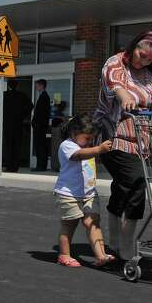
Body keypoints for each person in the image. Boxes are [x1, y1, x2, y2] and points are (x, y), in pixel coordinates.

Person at [94, 31, 152, 260]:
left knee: (130, 187)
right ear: (133, 46)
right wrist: (124, 97)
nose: (143, 61)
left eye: (149, 59)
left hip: (141, 142)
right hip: (113, 137)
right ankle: (122, 243)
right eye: (141, 54)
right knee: (135, 180)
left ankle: (120, 241)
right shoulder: (115, 63)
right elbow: (114, 85)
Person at [54, 114, 115, 268]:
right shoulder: (67, 146)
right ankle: (64, 255)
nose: (90, 142)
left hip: (89, 193)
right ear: (74, 133)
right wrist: (98, 149)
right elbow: (78, 156)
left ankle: (101, 256)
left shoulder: (88, 147)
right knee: (69, 225)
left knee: (93, 223)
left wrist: (97, 150)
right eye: (86, 138)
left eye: (92, 139)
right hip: (69, 194)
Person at [0, 80, 33, 172]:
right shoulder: (22, 95)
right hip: (18, 124)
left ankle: (8, 165)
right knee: (17, 145)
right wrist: (23, 116)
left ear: (8, 86)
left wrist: (1, 118)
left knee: (8, 145)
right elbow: (30, 106)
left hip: (7, 124)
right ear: (17, 86)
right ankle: (15, 166)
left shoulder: (4, 95)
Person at [32, 79, 51, 171]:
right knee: (40, 145)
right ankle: (40, 165)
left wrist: (37, 123)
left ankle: (41, 166)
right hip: (40, 126)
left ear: (42, 86)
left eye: (37, 85)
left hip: (40, 126)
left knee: (40, 146)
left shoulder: (44, 97)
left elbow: (42, 113)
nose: (36, 87)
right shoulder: (43, 96)